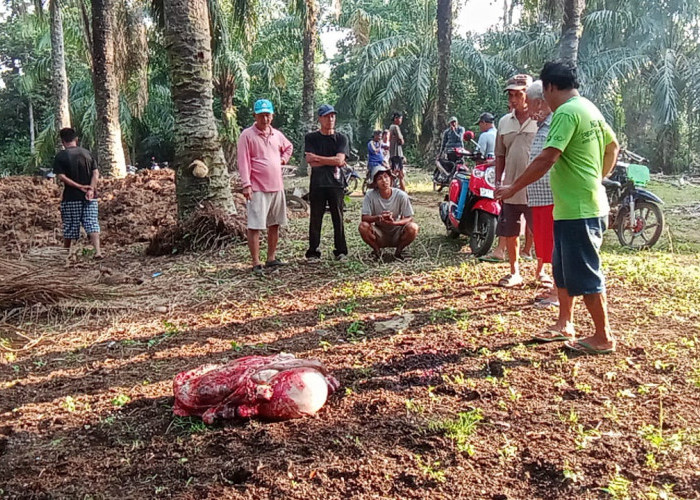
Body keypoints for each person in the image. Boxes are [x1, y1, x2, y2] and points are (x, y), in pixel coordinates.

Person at [495, 61, 620, 355]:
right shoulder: (589, 108)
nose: (542, 99)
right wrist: (598, 176)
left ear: (550, 87)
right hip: (572, 206)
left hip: (580, 209)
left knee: (586, 273)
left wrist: (513, 187)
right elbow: (612, 146)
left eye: (543, 92)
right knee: (562, 271)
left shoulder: (565, 113)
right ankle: (565, 324)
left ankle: (603, 336)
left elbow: (546, 158)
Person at [483, 74, 538, 286]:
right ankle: (514, 271)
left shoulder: (542, 119)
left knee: (538, 230)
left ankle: (542, 271)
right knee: (511, 230)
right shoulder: (504, 122)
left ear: (530, 95)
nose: (513, 99)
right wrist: (498, 182)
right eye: (511, 95)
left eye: (519, 94)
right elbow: (500, 155)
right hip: (510, 188)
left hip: (537, 187)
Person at [237, 99, 294, 274]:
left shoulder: (276, 134)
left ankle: (271, 257)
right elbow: (243, 161)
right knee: (255, 225)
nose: (265, 119)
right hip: (257, 187)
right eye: (261, 115)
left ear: (272, 115)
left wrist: (283, 159)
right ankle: (256, 261)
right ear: (255, 115)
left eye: (268, 115)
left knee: (274, 223)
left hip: (276, 186)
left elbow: (289, 147)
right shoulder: (247, 135)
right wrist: (246, 184)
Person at [523, 81, 558, 306]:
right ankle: (556, 288)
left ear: (540, 103)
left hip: (551, 196)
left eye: (529, 103)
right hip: (541, 197)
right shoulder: (544, 125)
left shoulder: (555, 123)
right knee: (547, 246)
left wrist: (515, 186)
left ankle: (557, 293)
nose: (527, 109)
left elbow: (546, 160)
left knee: (556, 247)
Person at [304, 104, 350, 262]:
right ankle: (313, 252)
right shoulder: (311, 138)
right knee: (316, 218)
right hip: (317, 183)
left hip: (336, 183)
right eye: (326, 116)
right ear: (320, 118)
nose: (330, 119)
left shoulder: (341, 138)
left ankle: (341, 251)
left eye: (332, 116)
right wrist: (333, 161)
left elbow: (340, 159)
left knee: (338, 217)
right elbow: (310, 161)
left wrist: (319, 158)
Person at [52, 127, 103, 259]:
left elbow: (61, 177)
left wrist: (79, 186)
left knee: (70, 225)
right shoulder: (87, 153)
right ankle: (98, 252)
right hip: (90, 197)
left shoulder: (60, 156)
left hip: (71, 198)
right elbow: (95, 173)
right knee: (92, 223)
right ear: (76, 139)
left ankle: (65, 253)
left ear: (63, 141)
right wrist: (91, 189)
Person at [358, 165, 418, 261]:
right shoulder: (370, 195)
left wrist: (394, 223)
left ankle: (399, 251)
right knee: (363, 226)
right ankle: (377, 251)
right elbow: (364, 218)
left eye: (386, 177)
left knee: (413, 227)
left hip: (397, 232)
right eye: (379, 178)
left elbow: (409, 218)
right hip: (379, 232)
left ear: (390, 179)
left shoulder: (401, 195)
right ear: (375, 183)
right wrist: (379, 217)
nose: (384, 180)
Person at [388, 112, 406, 191]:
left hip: (392, 153)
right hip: (397, 153)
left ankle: (391, 189)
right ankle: (403, 191)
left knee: (393, 173)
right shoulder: (395, 127)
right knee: (400, 174)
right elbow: (401, 140)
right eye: (400, 118)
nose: (401, 120)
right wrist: (401, 140)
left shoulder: (391, 127)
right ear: (396, 119)